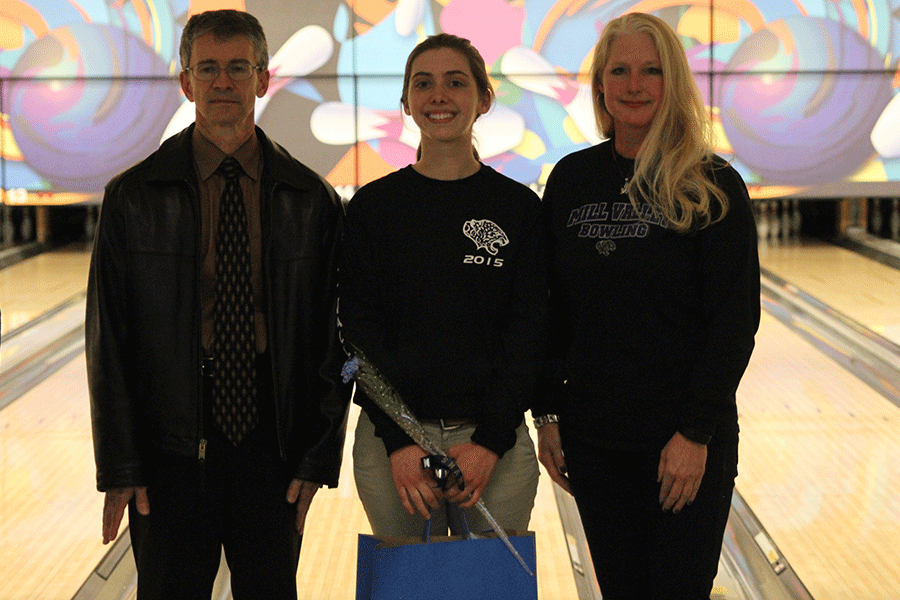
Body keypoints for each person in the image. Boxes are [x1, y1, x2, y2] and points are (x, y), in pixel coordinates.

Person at [85, 9, 349, 599]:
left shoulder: (313, 199)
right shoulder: (131, 198)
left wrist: (317, 456)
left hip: (272, 443)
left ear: (263, 78)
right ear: (186, 82)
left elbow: (335, 345)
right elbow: (109, 342)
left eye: (238, 68)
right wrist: (122, 465)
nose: (223, 82)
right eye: (208, 68)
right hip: (168, 446)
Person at [534, 12, 760, 600]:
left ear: (673, 81)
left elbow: (734, 325)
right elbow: (552, 313)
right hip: (596, 440)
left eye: (651, 71)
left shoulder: (712, 184)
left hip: (681, 445)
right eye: (621, 71)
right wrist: (549, 414)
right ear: (602, 84)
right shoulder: (571, 179)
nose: (634, 85)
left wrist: (694, 432)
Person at [340, 33, 547, 536]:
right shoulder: (372, 208)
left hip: (493, 440)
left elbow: (531, 333)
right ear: (407, 102)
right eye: (423, 84)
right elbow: (357, 335)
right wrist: (401, 441)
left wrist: (491, 442)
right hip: (394, 447)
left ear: (483, 98)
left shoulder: (519, 209)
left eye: (456, 82)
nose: (439, 96)